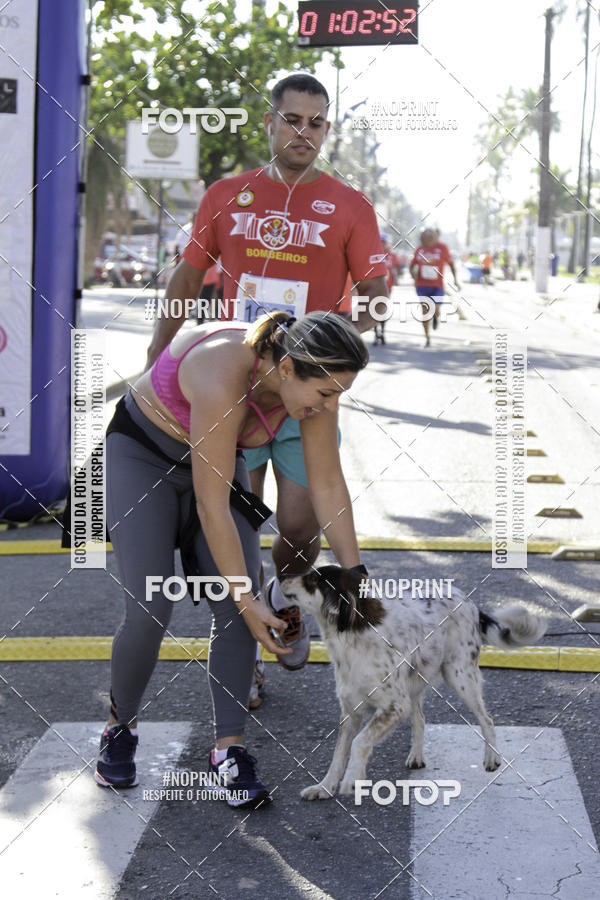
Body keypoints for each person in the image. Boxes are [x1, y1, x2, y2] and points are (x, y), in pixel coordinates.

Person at [145, 73, 388, 705]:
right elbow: (186, 277)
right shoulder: (228, 194)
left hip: (304, 390)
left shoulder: (351, 205)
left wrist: (334, 334)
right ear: (269, 123)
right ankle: (247, 642)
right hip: (241, 383)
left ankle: (286, 591)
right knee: (234, 516)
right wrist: (156, 352)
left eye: (316, 123)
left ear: (326, 130)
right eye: (292, 120)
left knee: (302, 526)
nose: (303, 132)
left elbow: (380, 299)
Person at [95, 311, 370, 808]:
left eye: (338, 395)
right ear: (286, 369)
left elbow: (328, 484)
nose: (330, 405)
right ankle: (120, 727)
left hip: (215, 469)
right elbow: (211, 504)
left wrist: (355, 579)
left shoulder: (311, 384)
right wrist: (247, 599)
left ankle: (229, 752)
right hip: (142, 458)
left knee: (236, 607)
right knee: (151, 607)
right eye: (326, 394)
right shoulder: (224, 368)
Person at [410, 228, 460, 347]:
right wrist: (413, 274)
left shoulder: (442, 248)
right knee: (425, 311)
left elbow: (451, 264)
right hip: (422, 286)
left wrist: (456, 280)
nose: (427, 240)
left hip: (437, 286)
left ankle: (436, 316)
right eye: (425, 238)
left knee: (435, 310)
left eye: (430, 237)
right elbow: (412, 265)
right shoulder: (419, 250)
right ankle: (427, 336)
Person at [373, 233, 401, 345]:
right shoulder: (372, 253)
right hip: (374, 287)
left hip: (387, 288)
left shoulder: (391, 255)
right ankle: (376, 334)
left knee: (383, 310)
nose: (382, 244)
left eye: (383, 242)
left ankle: (382, 332)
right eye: (380, 241)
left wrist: (396, 279)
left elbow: (397, 267)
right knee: (373, 310)